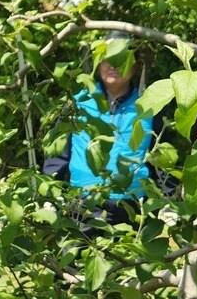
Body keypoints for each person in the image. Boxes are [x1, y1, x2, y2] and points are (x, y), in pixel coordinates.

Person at [41, 33, 166, 224]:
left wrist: (168, 199)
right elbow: (58, 152)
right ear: (98, 63)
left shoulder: (149, 106)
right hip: (82, 203)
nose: (113, 65)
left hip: (131, 207)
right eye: (107, 58)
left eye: (121, 58)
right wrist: (50, 195)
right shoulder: (78, 103)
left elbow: (162, 156)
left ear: (135, 65)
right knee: (78, 253)